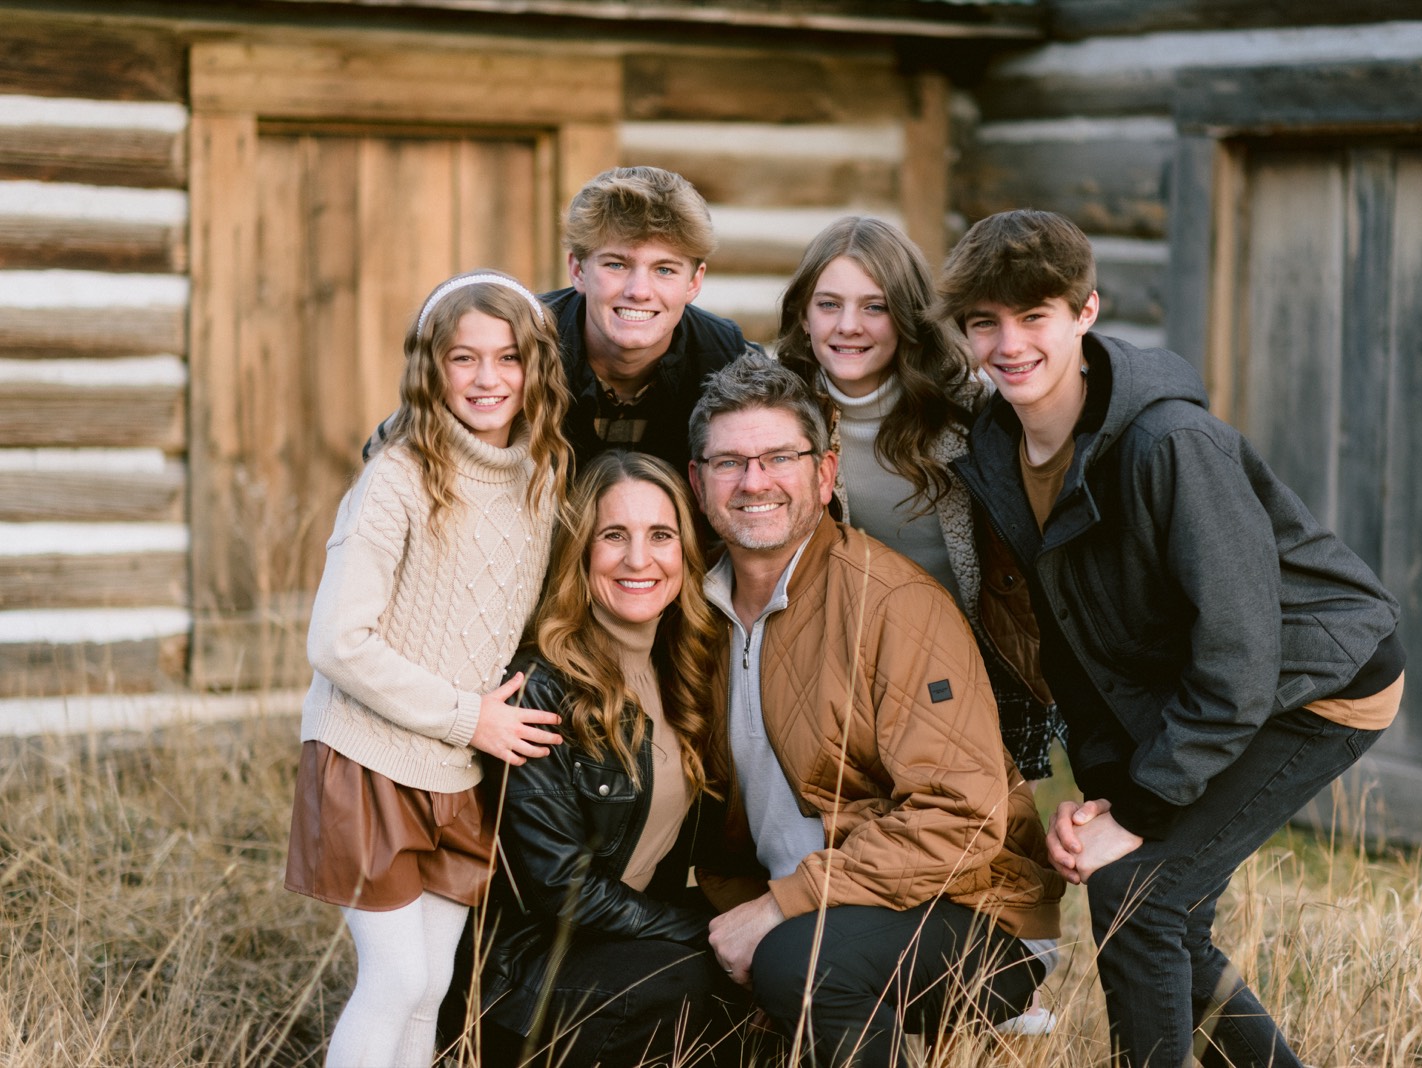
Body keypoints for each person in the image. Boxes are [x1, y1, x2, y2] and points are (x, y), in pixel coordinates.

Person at [936, 209, 1407, 1068]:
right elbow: (1073, 637)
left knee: (1137, 899)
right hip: (1198, 687)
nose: (1009, 344)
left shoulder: (1167, 443)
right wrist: (1104, 792)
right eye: (984, 323)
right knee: (1169, 911)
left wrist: (1142, 810)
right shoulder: (997, 448)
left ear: (1085, 312)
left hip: (1316, 682)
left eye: (1033, 316)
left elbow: (1239, 650)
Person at [688, 354, 1064, 1068]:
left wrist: (780, 906)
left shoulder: (892, 604)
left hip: (975, 914)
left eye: (778, 458)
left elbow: (963, 818)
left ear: (825, 476)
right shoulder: (695, 614)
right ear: (697, 482)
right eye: (729, 461)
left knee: (797, 962)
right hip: (810, 904)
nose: (754, 481)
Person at [285, 270, 571, 1067]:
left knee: (434, 980)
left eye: (508, 357)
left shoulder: (542, 479)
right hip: (367, 756)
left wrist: (476, 728)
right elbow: (337, 643)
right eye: (463, 358)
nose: (487, 379)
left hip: (456, 770)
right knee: (395, 974)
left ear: (535, 368)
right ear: (430, 367)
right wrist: (468, 716)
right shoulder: (400, 479)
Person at [452, 451, 743, 1067]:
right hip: (531, 972)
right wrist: (702, 931)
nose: (639, 559)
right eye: (614, 536)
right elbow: (560, 888)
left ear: (686, 554)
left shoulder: (687, 670)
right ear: (580, 554)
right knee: (696, 974)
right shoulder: (541, 687)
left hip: (625, 943)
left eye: (660, 535)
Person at [773, 216, 1057, 782]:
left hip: (974, 659)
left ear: (906, 318)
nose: (848, 326)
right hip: (841, 668)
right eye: (829, 305)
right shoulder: (773, 415)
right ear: (804, 317)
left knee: (991, 836)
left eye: (874, 307)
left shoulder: (972, 413)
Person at [363, 166, 760, 476]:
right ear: (578, 270)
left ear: (694, 282)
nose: (639, 290)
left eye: (665, 270)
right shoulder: (519, 336)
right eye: (617, 264)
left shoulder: (729, 357)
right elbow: (386, 446)